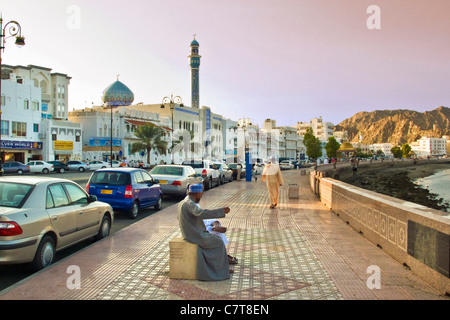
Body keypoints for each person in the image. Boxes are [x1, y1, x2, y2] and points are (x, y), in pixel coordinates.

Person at [177, 184, 232, 281]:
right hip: (194, 235)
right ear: (197, 193)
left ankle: (220, 267)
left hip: (191, 232)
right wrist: (221, 211)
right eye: (201, 193)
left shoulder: (184, 201)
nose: (202, 196)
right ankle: (220, 270)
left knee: (216, 239)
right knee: (218, 241)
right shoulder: (189, 203)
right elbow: (201, 213)